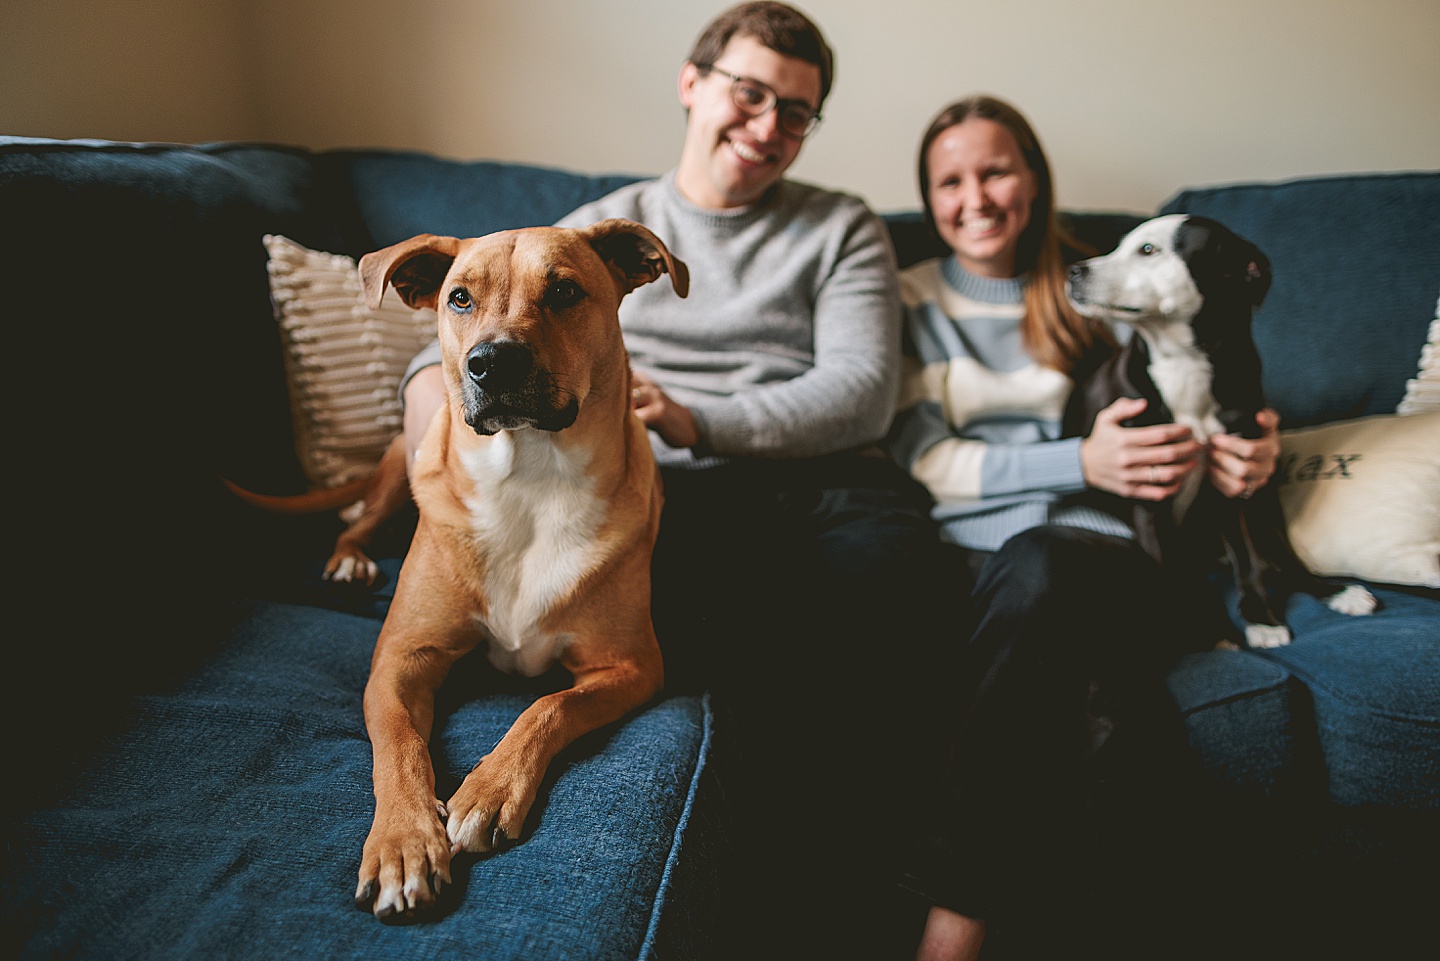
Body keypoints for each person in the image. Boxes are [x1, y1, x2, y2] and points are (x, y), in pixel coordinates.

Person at [400, 4, 946, 956]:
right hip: (688, 493)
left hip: (829, 483)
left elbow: (861, 394)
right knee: (709, 631)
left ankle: (881, 890)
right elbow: (473, 313)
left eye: (797, 112)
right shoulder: (590, 233)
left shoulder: (840, 227)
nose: (769, 125)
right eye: (750, 93)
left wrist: (697, 417)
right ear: (693, 84)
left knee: (877, 590)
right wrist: (430, 436)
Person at [884, 95, 1283, 960]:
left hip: (1105, 550)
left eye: (995, 170)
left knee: (1048, 573)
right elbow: (922, 459)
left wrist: (1256, 441)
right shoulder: (909, 297)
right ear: (928, 198)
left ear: (1033, 179)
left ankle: (950, 930)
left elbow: (1212, 370)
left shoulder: (1097, 280)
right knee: (1102, 695)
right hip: (982, 556)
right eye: (949, 181)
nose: (975, 197)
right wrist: (1078, 462)